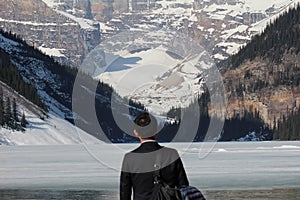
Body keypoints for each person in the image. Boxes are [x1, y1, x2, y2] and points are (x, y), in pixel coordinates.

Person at [120, 112, 189, 200]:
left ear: (136, 132)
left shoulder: (130, 158)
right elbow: (184, 187)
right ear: (156, 131)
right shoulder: (172, 154)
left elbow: (125, 193)